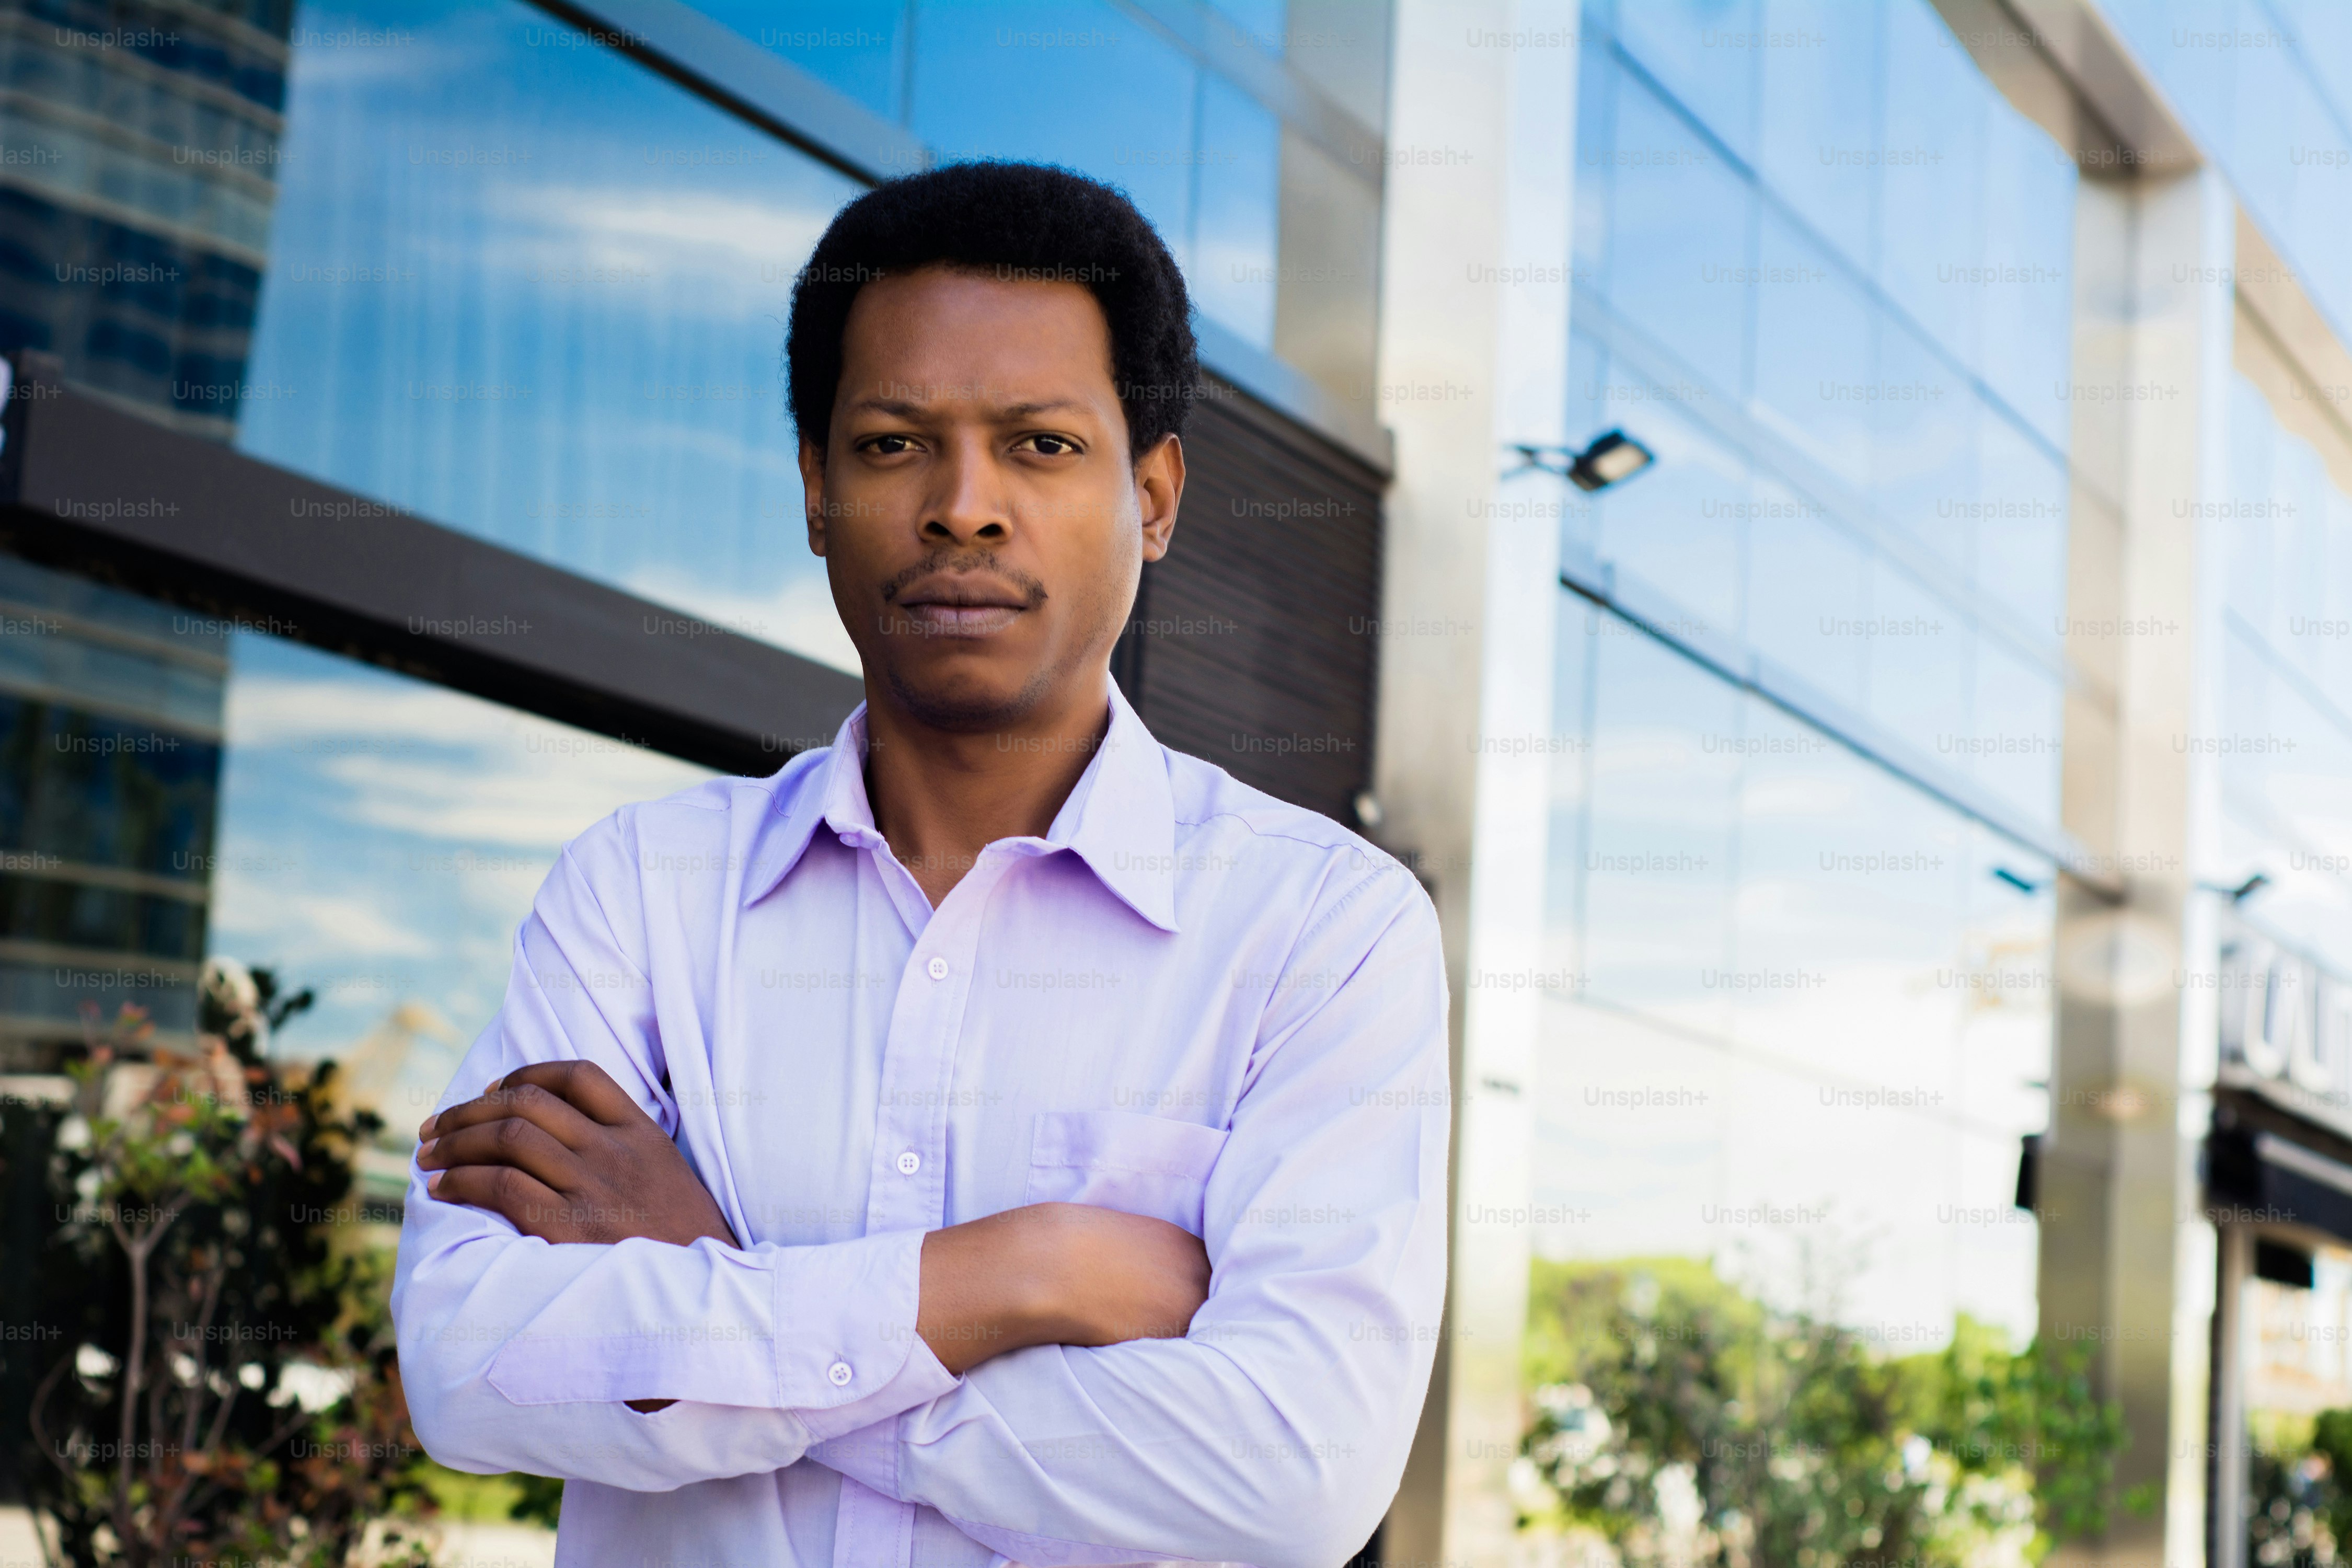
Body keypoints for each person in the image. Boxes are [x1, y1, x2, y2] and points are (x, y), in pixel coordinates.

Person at [391, 160, 1449, 1568]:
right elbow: (475, 1367)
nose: (964, 506)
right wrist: (1018, 1277)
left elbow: (1288, 1482)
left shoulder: (1320, 926)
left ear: (1153, 497)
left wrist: (735, 1293)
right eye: (893, 443)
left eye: (1038, 445)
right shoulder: (638, 892)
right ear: (816, 491)